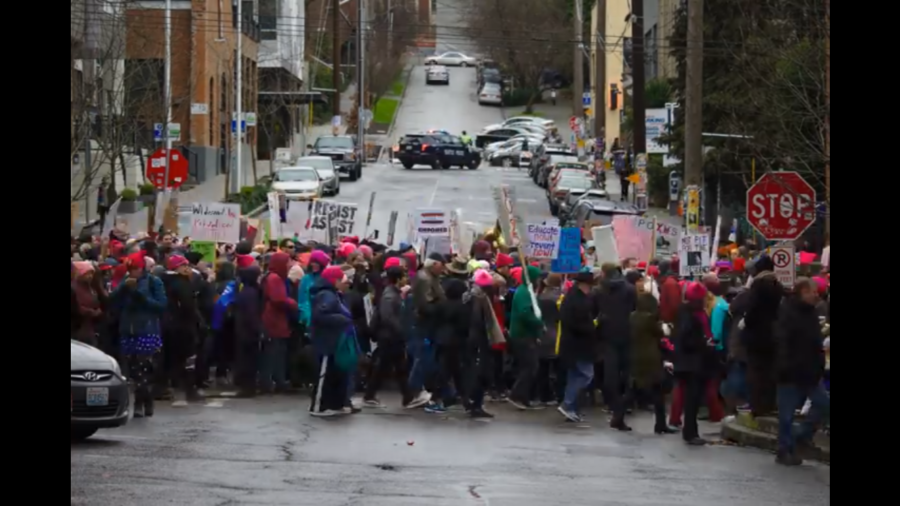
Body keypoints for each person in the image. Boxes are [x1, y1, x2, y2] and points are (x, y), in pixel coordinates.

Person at [773, 278, 829, 465]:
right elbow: (782, 343)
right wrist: (786, 366)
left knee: (823, 404)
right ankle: (784, 450)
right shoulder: (787, 312)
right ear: (803, 292)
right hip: (790, 372)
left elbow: (815, 343)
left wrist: (819, 363)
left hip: (811, 372)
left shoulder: (811, 312)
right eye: (813, 291)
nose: (817, 294)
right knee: (786, 415)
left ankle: (802, 436)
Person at [111, 253, 167, 415]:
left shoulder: (153, 282)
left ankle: (140, 402)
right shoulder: (126, 282)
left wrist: (139, 294)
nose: (133, 272)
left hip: (147, 329)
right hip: (128, 329)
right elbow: (112, 301)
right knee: (133, 370)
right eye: (130, 269)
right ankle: (145, 400)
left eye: (135, 269)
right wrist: (123, 288)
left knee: (144, 368)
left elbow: (161, 305)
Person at [672, 282, 717, 445]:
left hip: (695, 361)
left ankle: (691, 431)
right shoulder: (690, 314)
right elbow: (686, 339)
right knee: (692, 398)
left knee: (694, 398)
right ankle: (690, 432)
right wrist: (704, 343)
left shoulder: (693, 312)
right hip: (691, 363)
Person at [309, 266, 355, 417]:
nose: (345, 283)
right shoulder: (327, 296)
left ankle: (334, 404)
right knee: (325, 374)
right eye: (342, 280)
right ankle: (319, 406)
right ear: (334, 280)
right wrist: (342, 319)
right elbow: (320, 315)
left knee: (333, 374)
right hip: (326, 341)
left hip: (333, 340)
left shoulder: (333, 294)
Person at [595, 263, 637, 431]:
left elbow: (594, 311)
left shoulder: (599, 290)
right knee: (627, 374)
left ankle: (613, 404)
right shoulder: (629, 289)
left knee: (610, 373)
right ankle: (621, 407)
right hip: (626, 333)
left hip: (606, 334)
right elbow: (634, 309)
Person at [630, 291, 677, 434]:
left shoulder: (632, 316)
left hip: (636, 356)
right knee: (657, 391)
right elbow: (661, 333)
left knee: (634, 389)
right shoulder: (649, 319)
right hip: (650, 358)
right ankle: (660, 424)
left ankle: (618, 418)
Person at [743, 255, 784, 417]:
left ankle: (757, 405)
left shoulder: (758, 285)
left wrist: (746, 322)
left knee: (756, 371)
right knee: (770, 371)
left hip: (756, 335)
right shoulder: (777, 285)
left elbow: (752, 310)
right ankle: (769, 404)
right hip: (772, 334)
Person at [363, 266, 410, 407]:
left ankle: (407, 396)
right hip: (389, 337)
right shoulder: (390, 296)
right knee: (391, 366)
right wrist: (401, 331)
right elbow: (388, 317)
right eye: (404, 276)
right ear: (399, 279)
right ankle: (407, 396)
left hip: (391, 337)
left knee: (392, 366)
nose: (406, 279)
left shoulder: (392, 293)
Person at [557, 267, 597, 422]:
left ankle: (571, 407)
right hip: (579, 344)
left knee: (574, 376)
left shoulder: (572, 297)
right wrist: (592, 327)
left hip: (572, 344)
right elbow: (576, 322)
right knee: (586, 375)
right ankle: (567, 404)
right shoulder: (578, 300)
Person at [462, 269, 503, 418]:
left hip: (474, 340)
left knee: (476, 372)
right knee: (480, 373)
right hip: (478, 341)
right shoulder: (479, 299)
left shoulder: (469, 296)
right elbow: (479, 321)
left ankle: (473, 402)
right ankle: (475, 403)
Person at [408, 252, 446, 408]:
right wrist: (442, 307)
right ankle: (415, 391)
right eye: (442, 266)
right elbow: (424, 305)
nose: (443, 270)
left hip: (428, 323)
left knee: (427, 358)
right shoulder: (425, 279)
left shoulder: (430, 277)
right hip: (425, 324)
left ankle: (421, 389)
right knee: (423, 357)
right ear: (435, 264)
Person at [507, 265, 545, 410]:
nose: (540, 280)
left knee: (530, 367)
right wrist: (539, 323)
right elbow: (525, 314)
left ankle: (524, 397)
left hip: (528, 334)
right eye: (538, 277)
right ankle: (516, 395)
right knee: (530, 366)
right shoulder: (523, 293)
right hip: (521, 335)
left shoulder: (528, 292)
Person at [261, 252, 297, 393]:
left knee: (276, 352)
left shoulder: (272, 277)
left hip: (275, 319)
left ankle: (275, 380)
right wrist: (293, 303)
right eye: (288, 262)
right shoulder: (275, 278)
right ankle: (271, 381)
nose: (290, 265)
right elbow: (279, 299)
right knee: (274, 352)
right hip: (274, 320)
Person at [233, 265, 263, 397]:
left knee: (245, 359)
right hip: (248, 332)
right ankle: (248, 387)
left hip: (243, 330)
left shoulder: (246, 290)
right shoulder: (251, 293)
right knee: (249, 360)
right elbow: (252, 314)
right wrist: (258, 329)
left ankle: (246, 386)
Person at [535, 273, 564, 405]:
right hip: (556, 334)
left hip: (542, 333)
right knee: (559, 369)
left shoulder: (539, 296)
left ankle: (544, 395)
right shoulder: (558, 298)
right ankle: (559, 394)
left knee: (543, 368)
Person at [71, 261, 105, 346]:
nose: (90, 276)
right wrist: (91, 312)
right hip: (78, 327)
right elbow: (76, 307)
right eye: (87, 273)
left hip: (90, 326)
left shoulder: (91, 287)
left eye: (91, 274)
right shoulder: (74, 288)